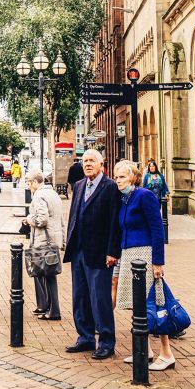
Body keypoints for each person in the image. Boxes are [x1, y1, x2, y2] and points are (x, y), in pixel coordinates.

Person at [113, 160, 174, 371]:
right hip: (128, 254)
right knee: (136, 304)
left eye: (122, 176)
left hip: (145, 254)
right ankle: (144, 349)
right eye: (116, 177)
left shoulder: (144, 195)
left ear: (133, 177)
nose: (118, 180)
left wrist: (158, 262)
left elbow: (157, 228)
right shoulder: (124, 199)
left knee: (154, 303)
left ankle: (166, 353)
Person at [62, 149, 122, 360]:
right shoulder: (79, 185)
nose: (87, 164)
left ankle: (106, 342)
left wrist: (112, 251)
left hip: (99, 253)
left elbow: (115, 222)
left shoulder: (110, 187)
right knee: (80, 297)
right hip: (78, 251)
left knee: (100, 299)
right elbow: (74, 216)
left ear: (101, 165)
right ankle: (85, 337)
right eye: (85, 161)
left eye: (91, 161)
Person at [22, 169, 64, 320]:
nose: (28, 186)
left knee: (47, 275)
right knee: (47, 274)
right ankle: (45, 306)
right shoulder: (53, 193)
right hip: (53, 239)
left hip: (43, 241)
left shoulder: (39, 196)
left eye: (28, 182)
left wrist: (29, 219)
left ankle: (53, 311)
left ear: (35, 182)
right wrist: (63, 240)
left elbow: (42, 220)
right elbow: (60, 219)